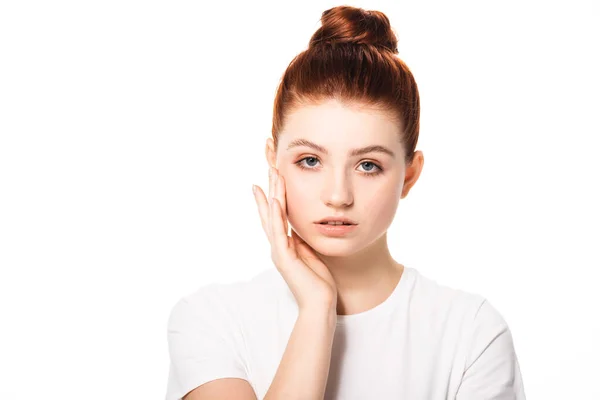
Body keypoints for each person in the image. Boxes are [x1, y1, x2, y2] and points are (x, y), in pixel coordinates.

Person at [165, 5, 526, 400]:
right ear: (274, 161)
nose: (338, 196)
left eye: (368, 165)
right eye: (310, 161)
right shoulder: (211, 320)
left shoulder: (471, 334)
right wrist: (318, 310)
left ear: (409, 174)